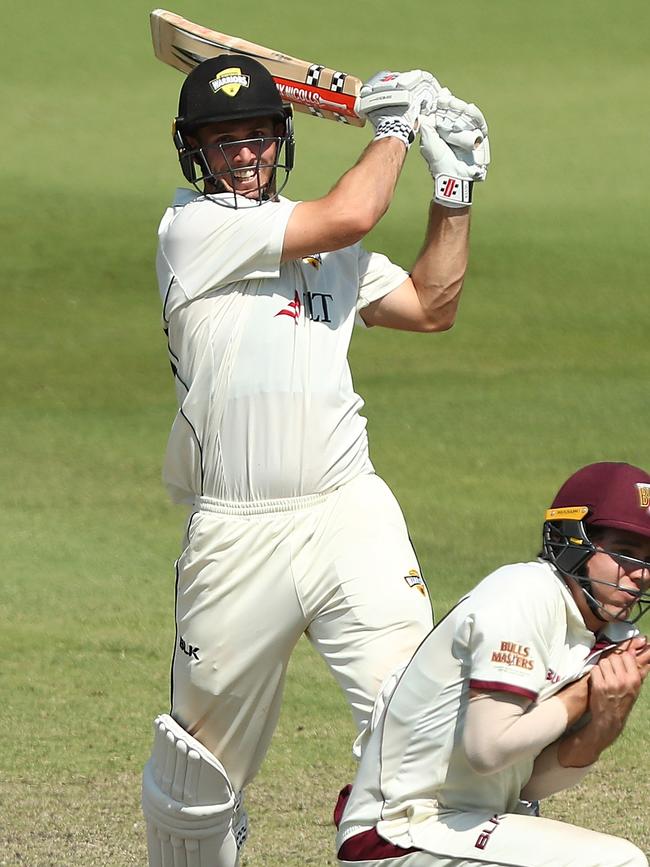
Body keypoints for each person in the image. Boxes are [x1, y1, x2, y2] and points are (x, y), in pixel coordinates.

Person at [141, 53, 491, 867]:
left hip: (347, 512)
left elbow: (432, 305)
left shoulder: (324, 237)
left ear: (280, 142)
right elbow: (350, 215)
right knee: (195, 782)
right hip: (236, 530)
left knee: (419, 720)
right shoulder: (193, 228)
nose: (242, 155)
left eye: (257, 137)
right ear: (195, 152)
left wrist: (455, 186)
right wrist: (396, 129)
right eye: (223, 140)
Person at [335, 461, 650, 867]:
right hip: (399, 830)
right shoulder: (524, 594)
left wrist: (603, 728)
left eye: (649, 557)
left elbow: (531, 782)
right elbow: (488, 750)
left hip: (472, 823)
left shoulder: (613, 640)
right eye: (623, 553)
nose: (640, 574)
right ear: (573, 542)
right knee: (619, 862)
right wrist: (581, 696)